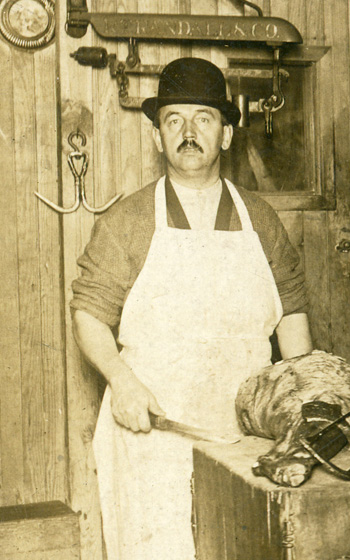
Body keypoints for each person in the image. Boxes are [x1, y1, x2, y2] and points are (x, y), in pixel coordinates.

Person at [70, 57, 313, 559]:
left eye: (203, 118)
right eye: (173, 119)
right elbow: (89, 313)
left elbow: (292, 313)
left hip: (245, 432)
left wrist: (300, 400)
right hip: (153, 429)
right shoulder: (128, 220)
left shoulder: (260, 218)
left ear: (225, 134)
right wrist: (122, 380)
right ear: (158, 137)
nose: (188, 132)